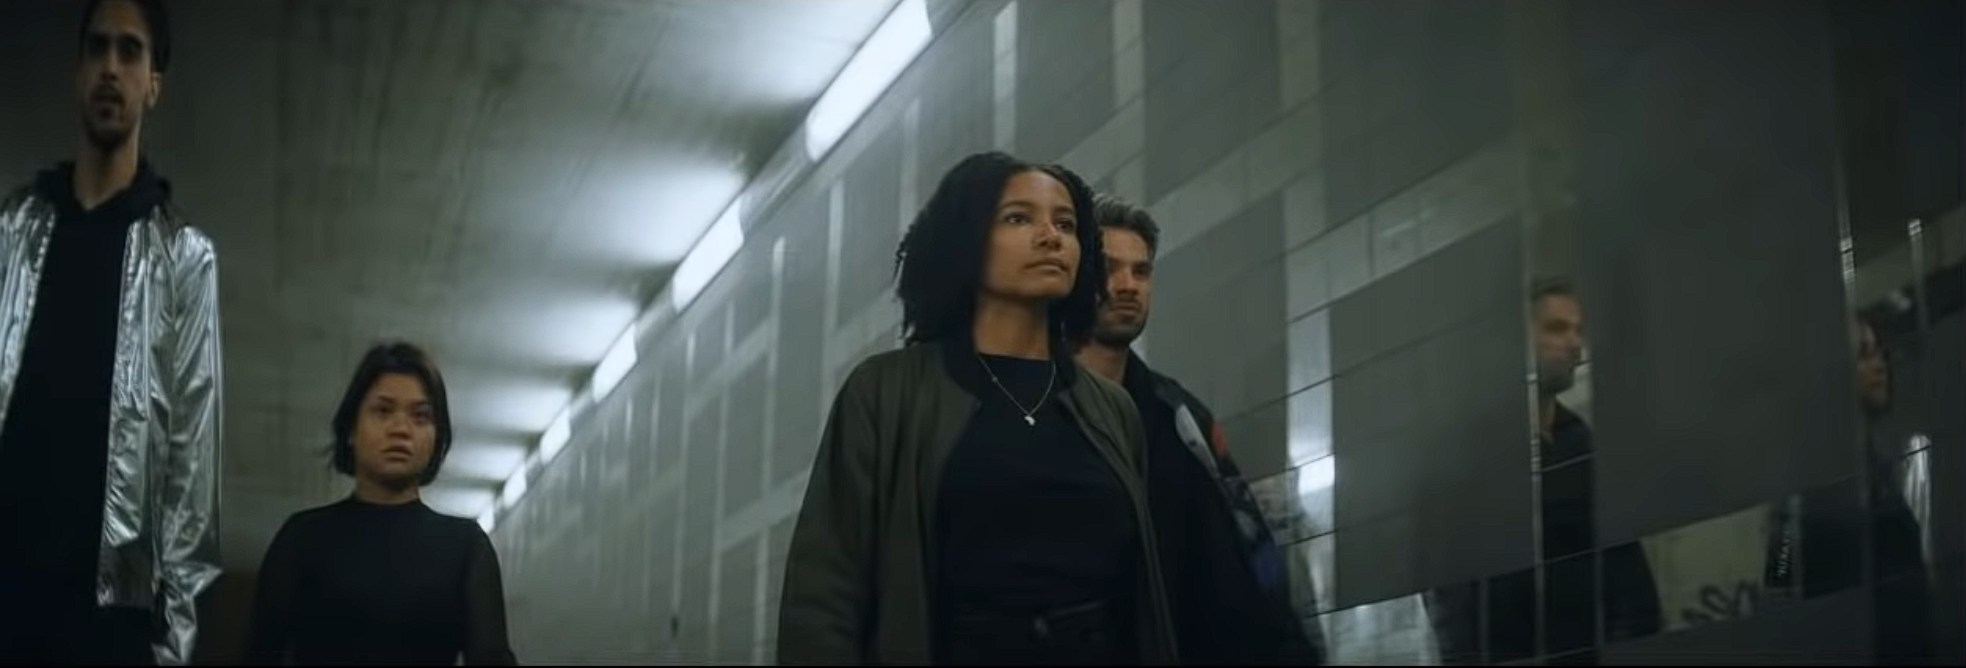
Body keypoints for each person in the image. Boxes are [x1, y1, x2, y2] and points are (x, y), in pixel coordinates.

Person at [776, 152, 1177, 665]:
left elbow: (1139, 591)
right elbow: (825, 590)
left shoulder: (1111, 409)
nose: (1050, 237)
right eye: (1018, 218)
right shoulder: (885, 392)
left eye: (1066, 224)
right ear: (965, 241)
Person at [0, 0, 222, 663]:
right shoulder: (12, 233)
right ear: (77, 71)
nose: (110, 68)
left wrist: (172, 644)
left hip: (109, 619)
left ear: (153, 84)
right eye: (97, 48)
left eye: (130, 52)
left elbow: (191, 465)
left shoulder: (183, 257)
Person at [1073, 195, 1323, 665]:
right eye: (1108, 269)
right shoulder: (1031, 407)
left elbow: (1245, 544)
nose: (1127, 286)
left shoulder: (1180, 416)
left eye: (1141, 272)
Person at [245, 342, 518, 665]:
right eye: (383, 411)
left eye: (421, 416)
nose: (401, 429)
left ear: (436, 437)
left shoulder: (466, 546)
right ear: (351, 429)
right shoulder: (302, 537)